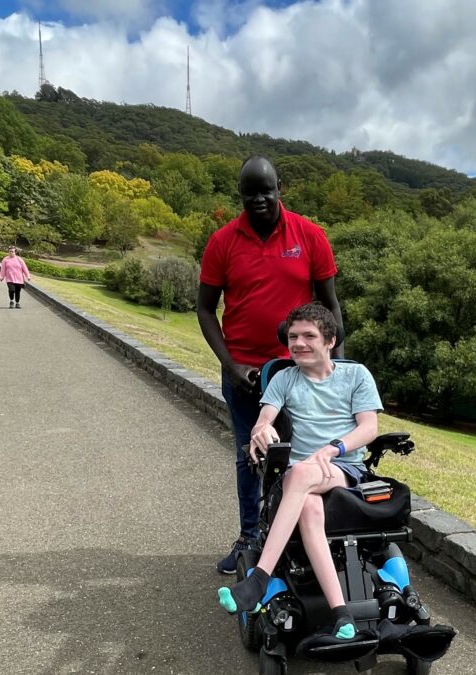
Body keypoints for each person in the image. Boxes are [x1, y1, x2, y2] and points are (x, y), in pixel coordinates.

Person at [198, 155, 344, 574]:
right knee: (252, 456)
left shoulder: (310, 235)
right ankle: (250, 537)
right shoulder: (223, 241)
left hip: (298, 372)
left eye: (266, 190)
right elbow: (206, 310)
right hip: (244, 374)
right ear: (240, 194)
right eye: (250, 192)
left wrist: (332, 363)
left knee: (305, 456)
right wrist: (229, 365)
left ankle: (303, 541)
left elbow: (330, 306)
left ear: (280, 187)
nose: (259, 199)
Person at [216, 303, 381, 641]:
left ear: (330, 341)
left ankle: (258, 579)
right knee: (307, 505)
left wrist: (332, 448)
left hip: (342, 468)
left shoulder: (356, 375)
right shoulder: (284, 379)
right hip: (299, 478)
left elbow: (369, 428)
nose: (299, 343)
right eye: (293, 337)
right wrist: (261, 431)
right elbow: (264, 419)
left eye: (309, 336)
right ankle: (342, 614)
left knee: (303, 473)